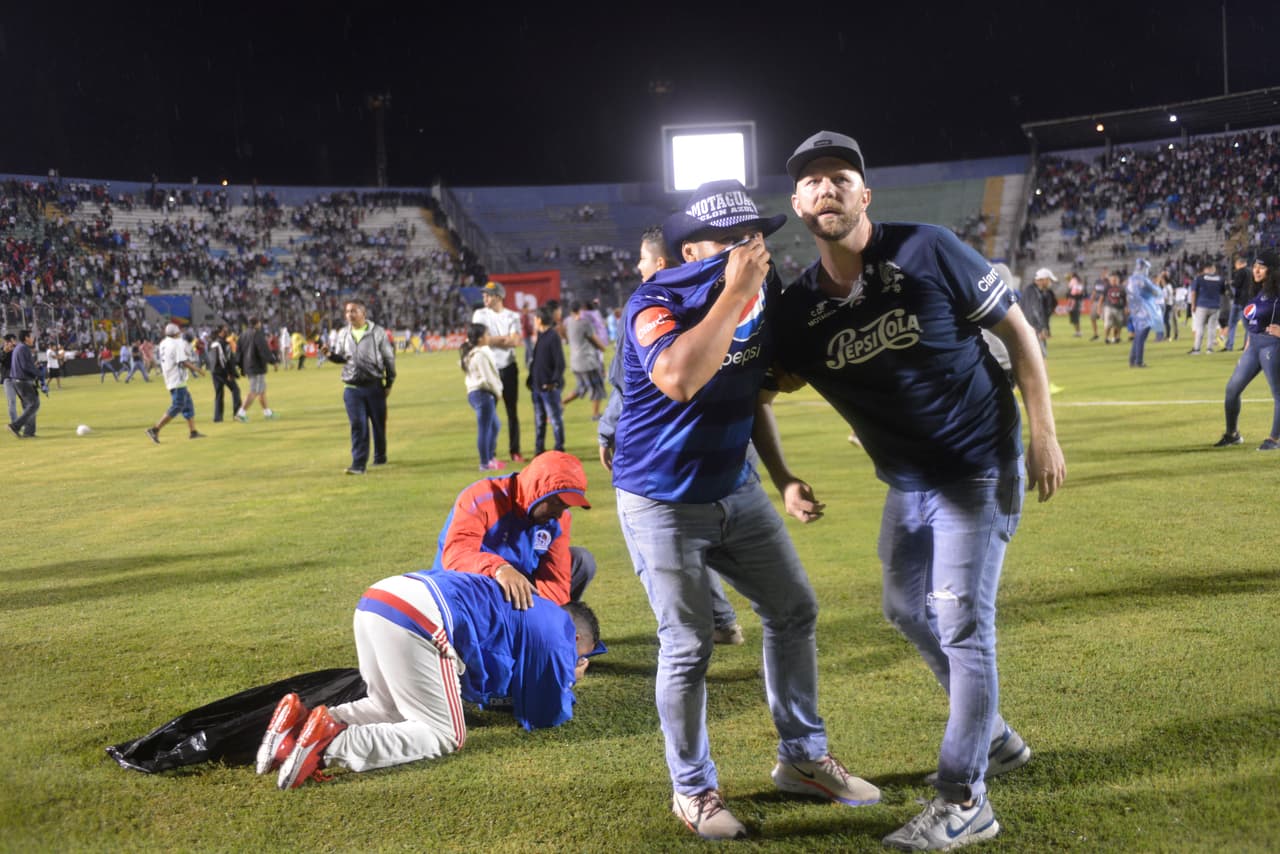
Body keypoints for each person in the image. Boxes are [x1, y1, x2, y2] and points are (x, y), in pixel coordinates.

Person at [776, 131, 1065, 851]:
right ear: (797, 206)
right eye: (812, 182)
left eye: (840, 177)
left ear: (864, 195)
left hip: (978, 465)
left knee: (963, 625)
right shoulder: (799, 308)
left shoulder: (928, 248)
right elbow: (757, 390)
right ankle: (994, 737)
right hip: (907, 483)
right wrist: (781, 476)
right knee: (906, 609)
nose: (826, 189)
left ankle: (966, 799)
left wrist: (1044, 434)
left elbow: (1018, 333)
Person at [612, 179, 879, 841]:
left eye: (753, 235)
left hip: (736, 487)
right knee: (687, 646)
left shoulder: (763, 290)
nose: (748, 248)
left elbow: (756, 390)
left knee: (794, 609)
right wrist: (733, 292)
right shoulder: (654, 301)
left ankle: (802, 759)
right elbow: (679, 378)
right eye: (730, 239)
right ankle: (693, 791)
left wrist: (782, 478)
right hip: (662, 501)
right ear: (690, 249)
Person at [256, 569, 601, 790]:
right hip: (420, 615)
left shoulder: (537, 612)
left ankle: (302, 723)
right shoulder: (559, 632)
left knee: (390, 707)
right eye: (580, 654)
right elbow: (545, 714)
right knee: (446, 733)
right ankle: (331, 744)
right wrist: (568, 677)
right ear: (576, 638)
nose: (577, 659)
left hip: (379, 598)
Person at [598, 225, 744, 647]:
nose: (637, 266)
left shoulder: (647, 304)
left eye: (642, 259)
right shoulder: (710, 299)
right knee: (696, 537)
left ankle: (685, 636)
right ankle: (722, 620)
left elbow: (628, 387)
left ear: (660, 263)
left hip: (655, 457)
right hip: (712, 448)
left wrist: (607, 431)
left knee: (654, 548)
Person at [432, 450, 597, 607]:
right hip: (469, 585)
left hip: (518, 584)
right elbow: (457, 555)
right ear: (538, 490)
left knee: (582, 560)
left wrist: (552, 620)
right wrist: (500, 569)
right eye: (557, 503)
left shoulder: (560, 520)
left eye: (566, 506)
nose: (559, 514)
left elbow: (554, 580)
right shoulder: (481, 498)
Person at [319, 299, 396, 475]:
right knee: (358, 424)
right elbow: (342, 358)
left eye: (353, 311)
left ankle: (380, 455)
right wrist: (329, 354)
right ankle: (358, 464)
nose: (350, 315)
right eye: (347, 311)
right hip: (352, 387)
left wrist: (389, 382)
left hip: (374, 386)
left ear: (363, 313)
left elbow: (389, 358)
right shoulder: (343, 334)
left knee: (378, 424)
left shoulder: (377, 332)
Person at [1214, 248, 1280, 451]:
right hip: (1254, 347)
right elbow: (1253, 321)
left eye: (1262, 267)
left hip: (1273, 346)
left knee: (1278, 394)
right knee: (1232, 389)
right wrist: (1248, 344)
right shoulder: (1258, 290)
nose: (1256, 271)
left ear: (1272, 270)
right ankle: (1232, 434)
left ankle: (1274, 439)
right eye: (1255, 266)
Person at [472, 281, 524, 462]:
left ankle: (515, 451)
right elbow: (479, 340)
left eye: (488, 294)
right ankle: (490, 454)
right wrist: (504, 339)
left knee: (512, 412)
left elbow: (515, 341)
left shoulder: (512, 316)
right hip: (489, 370)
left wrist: (491, 339)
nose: (484, 297)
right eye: (484, 294)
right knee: (490, 415)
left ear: (499, 297)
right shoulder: (479, 314)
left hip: (508, 368)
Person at [145, 323, 206, 443]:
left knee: (188, 405)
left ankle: (193, 431)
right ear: (176, 333)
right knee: (178, 406)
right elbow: (183, 362)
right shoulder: (176, 344)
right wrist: (198, 370)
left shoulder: (163, 343)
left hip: (170, 376)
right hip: (177, 378)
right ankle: (155, 429)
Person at [460, 322, 504, 471]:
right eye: (486, 334)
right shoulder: (479, 355)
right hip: (483, 394)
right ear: (480, 338)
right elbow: (488, 378)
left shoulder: (472, 353)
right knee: (485, 429)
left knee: (495, 426)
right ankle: (485, 463)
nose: (489, 337)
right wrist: (498, 392)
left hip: (476, 393)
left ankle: (490, 459)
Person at [528, 304, 566, 456]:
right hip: (537, 387)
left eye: (535, 318)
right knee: (539, 420)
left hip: (548, 388)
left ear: (539, 319)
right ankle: (539, 449)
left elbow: (560, 362)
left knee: (555, 419)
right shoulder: (541, 336)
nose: (534, 321)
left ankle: (559, 448)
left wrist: (553, 382)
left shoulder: (552, 336)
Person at [561, 301, 608, 419]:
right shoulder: (584, 323)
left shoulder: (569, 322)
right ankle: (596, 414)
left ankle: (561, 403)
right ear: (580, 309)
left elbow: (563, 334)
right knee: (597, 387)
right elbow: (594, 339)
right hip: (588, 361)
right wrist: (602, 348)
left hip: (575, 362)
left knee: (581, 387)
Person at [235, 316, 276, 421]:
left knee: (261, 390)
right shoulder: (257, 334)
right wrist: (273, 361)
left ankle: (267, 413)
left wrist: (240, 366)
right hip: (256, 366)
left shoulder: (242, 335)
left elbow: (238, 352)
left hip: (248, 366)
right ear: (257, 323)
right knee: (254, 391)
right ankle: (241, 413)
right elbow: (263, 350)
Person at [1125, 258, 1164, 368]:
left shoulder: (1131, 279)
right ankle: (1139, 361)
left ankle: (1132, 360)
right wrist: (1157, 286)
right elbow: (1156, 292)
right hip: (1145, 310)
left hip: (1135, 310)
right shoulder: (1143, 280)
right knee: (1141, 337)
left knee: (1138, 336)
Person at [6, 330, 40, 438]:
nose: (33, 339)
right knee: (34, 404)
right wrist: (37, 373)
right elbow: (25, 366)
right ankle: (15, 426)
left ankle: (29, 432)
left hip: (17, 380)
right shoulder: (24, 348)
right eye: (31, 336)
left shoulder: (18, 348)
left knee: (29, 406)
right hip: (23, 381)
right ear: (26, 338)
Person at [1188, 261, 1226, 354]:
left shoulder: (1199, 278)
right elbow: (1223, 292)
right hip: (1215, 306)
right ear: (1212, 268)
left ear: (1205, 269)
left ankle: (1197, 349)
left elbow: (1193, 292)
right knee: (1212, 328)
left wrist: (1193, 305)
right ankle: (1209, 349)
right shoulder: (1220, 279)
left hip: (1202, 305)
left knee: (1200, 327)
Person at [208, 324, 242, 423]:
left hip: (214, 372)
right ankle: (237, 414)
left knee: (219, 393)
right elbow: (224, 359)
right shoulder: (223, 343)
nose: (227, 330)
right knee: (235, 390)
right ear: (221, 331)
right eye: (225, 329)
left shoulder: (212, 343)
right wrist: (229, 373)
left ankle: (218, 417)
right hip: (223, 371)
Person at [1021, 268, 1054, 355]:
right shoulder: (1032, 292)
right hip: (1034, 330)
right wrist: (1040, 329)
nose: (1050, 282)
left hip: (1032, 329)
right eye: (1049, 280)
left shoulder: (1034, 291)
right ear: (1043, 280)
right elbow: (1033, 311)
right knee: (1041, 356)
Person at [1225, 253, 1253, 351]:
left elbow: (1237, 284)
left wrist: (1231, 283)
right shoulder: (1251, 272)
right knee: (1247, 326)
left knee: (1233, 323)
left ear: (1239, 264)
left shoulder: (1241, 272)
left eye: (1236, 265)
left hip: (1239, 301)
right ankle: (1246, 345)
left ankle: (1229, 345)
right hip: (1248, 301)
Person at [1103, 271, 1127, 345]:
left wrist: (1126, 307)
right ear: (1110, 280)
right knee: (1108, 324)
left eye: (1115, 279)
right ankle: (1106, 338)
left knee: (1118, 324)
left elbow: (1125, 299)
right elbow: (1101, 298)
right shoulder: (1107, 287)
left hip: (1119, 308)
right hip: (1109, 307)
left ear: (1118, 280)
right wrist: (1099, 308)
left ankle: (1114, 337)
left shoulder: (1122, 288)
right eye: (1112, 279)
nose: (1114, 281)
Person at [2, 334, 18, 424]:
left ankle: (27, 422)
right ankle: (15, 424)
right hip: (8, 379)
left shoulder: (18, 349)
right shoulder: (2, 350)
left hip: (20, 378)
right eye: (8, 342)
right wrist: (5, 352)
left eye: (12, 341)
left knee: (27, 401)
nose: (10, 344)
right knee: (11, 401)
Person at [1066, 273, 1085, 337]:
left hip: (1074, 301)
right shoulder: (1079, 283)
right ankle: (1077, 331)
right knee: (1075, 317)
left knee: (1075, 317)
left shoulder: (1074, 281)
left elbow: (1074, 291)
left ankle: (1078, 332)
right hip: (1075, 301)